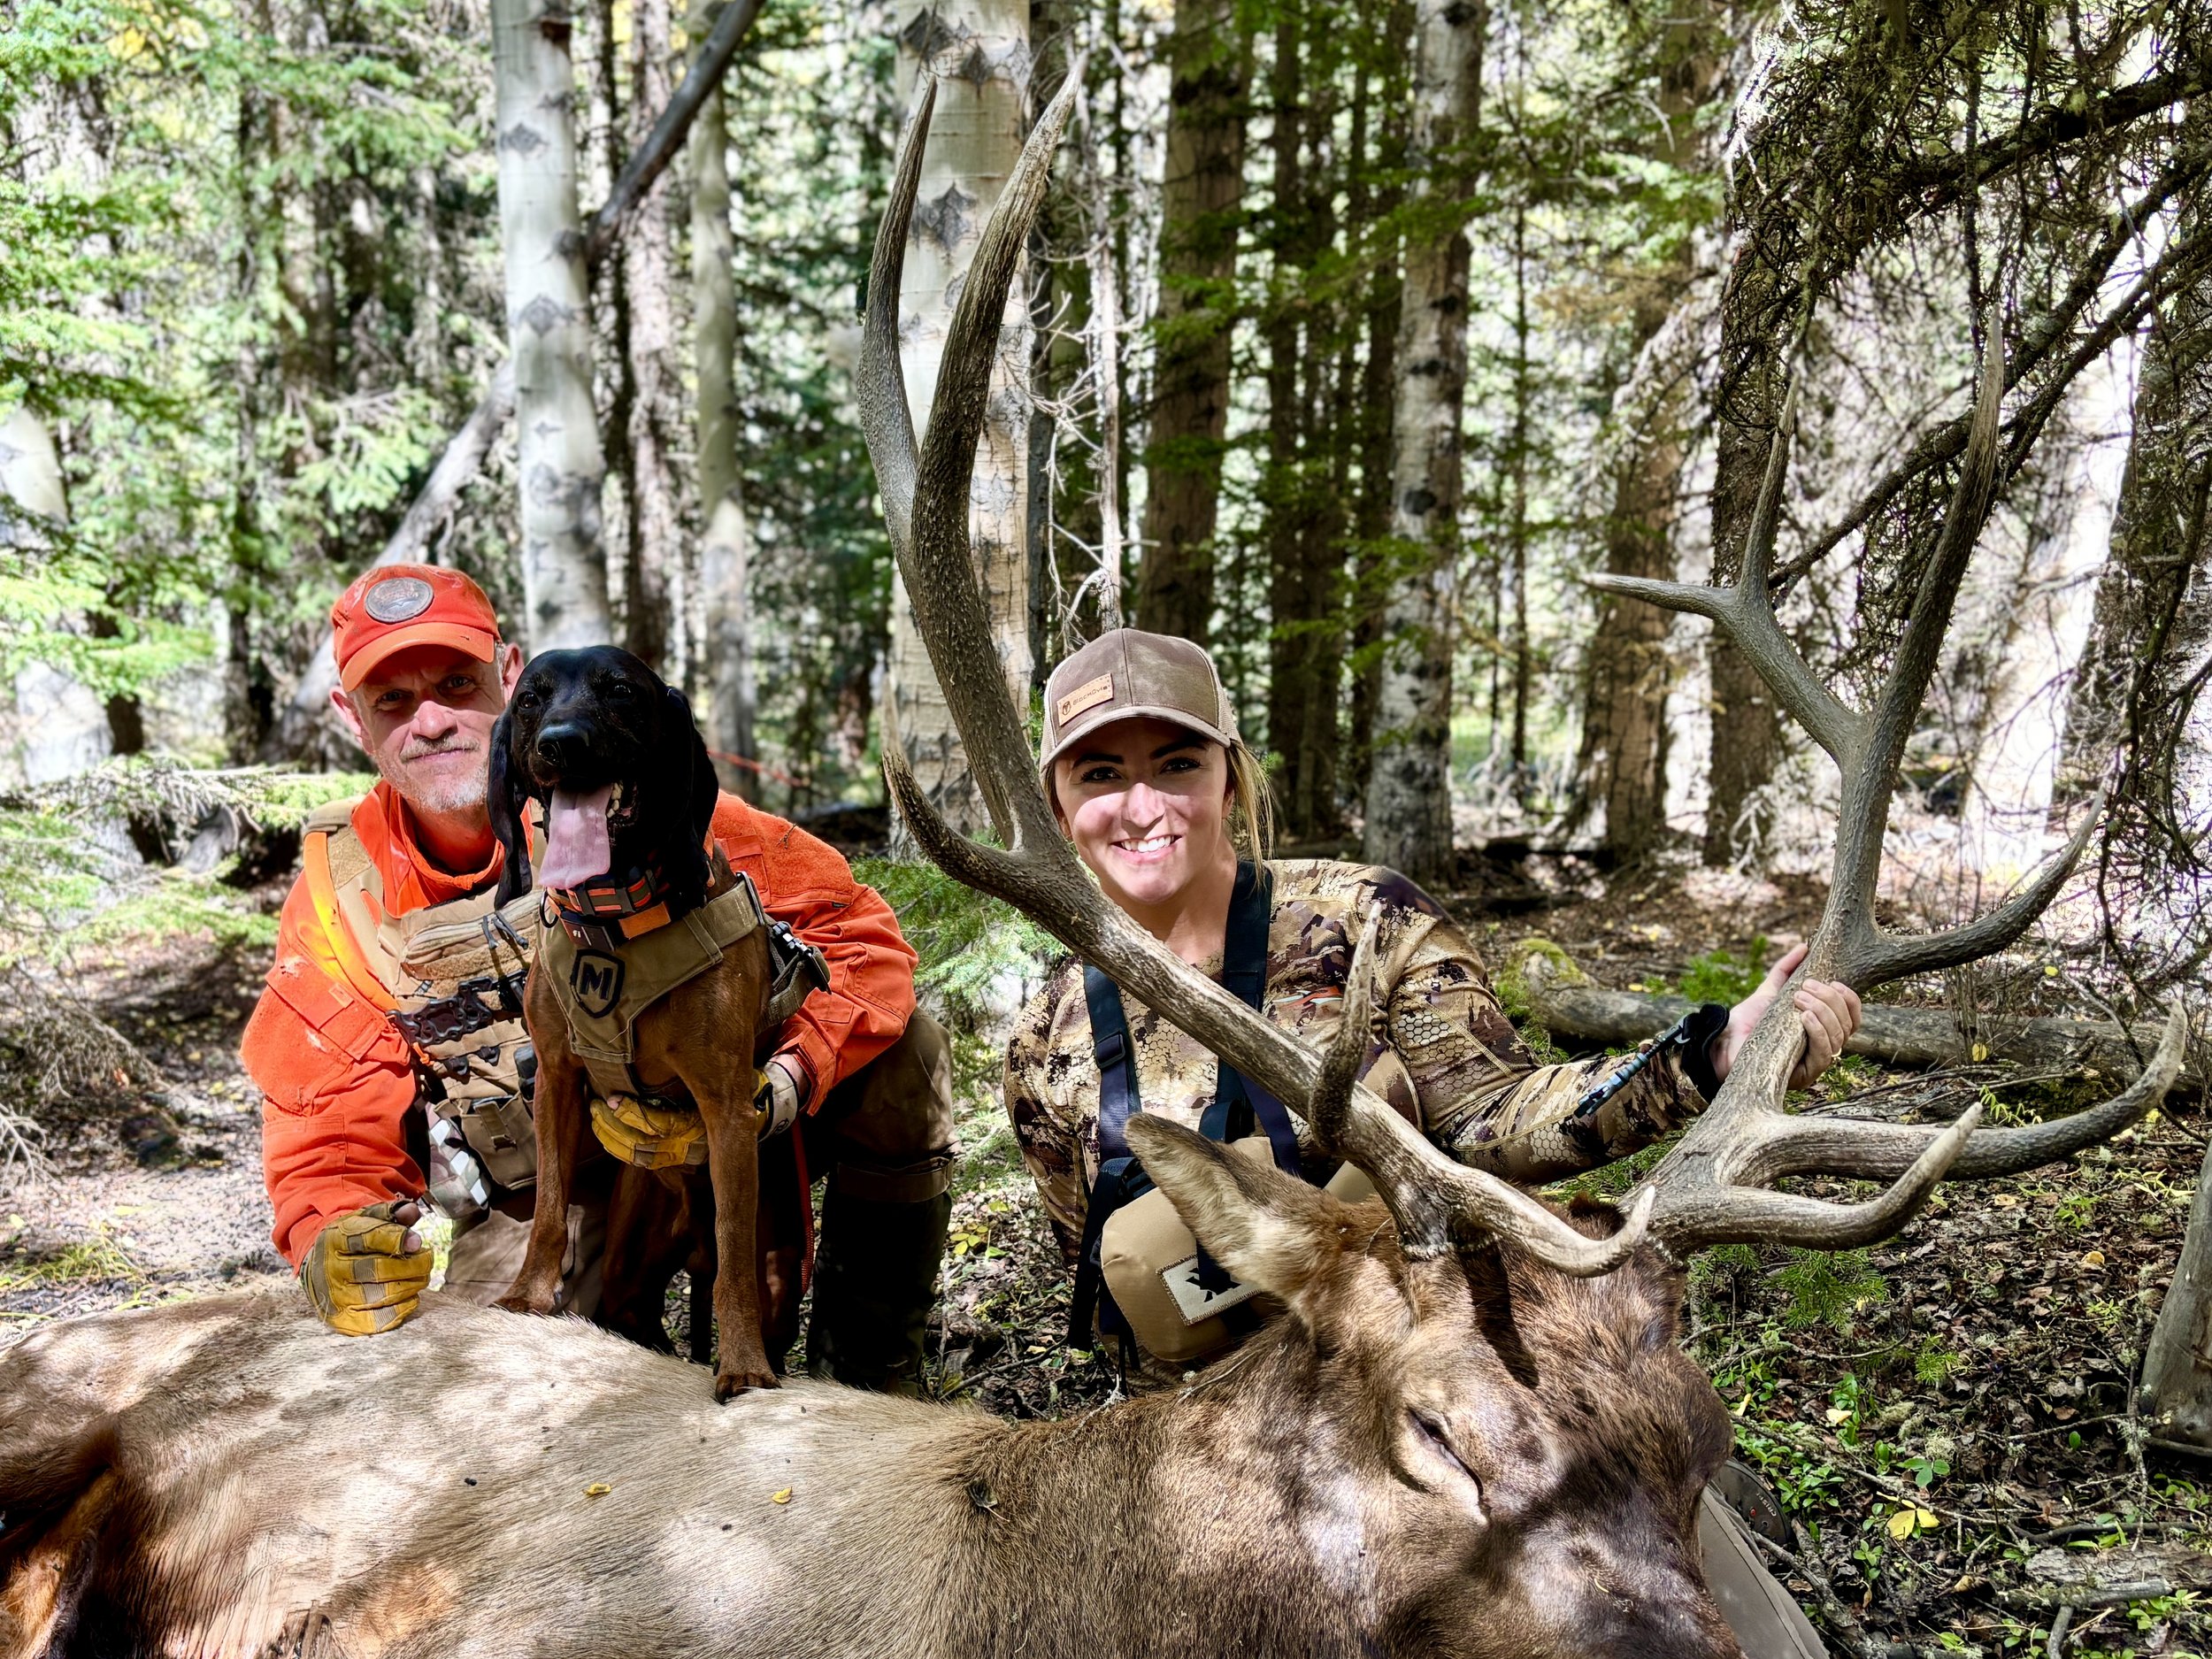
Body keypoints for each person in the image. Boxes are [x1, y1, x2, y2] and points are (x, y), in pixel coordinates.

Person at [1002, 626, 1858, 1656]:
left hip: (1473, 1423)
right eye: (1101, 774)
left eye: (1176, 764)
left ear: (1228, 776)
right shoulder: (1046, 1040)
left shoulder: (1362, 921)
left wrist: (1709, 1056)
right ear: (1058, 804)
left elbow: (1498, 1118)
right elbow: (1107, 1301)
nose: (1141, 806)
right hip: (1223, 1454)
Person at [241, 563, 955, 1392]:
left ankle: (867, 1381)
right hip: (539, 1208)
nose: (431, 721)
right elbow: (326, 1117)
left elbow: (864, 948)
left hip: (717, 1146)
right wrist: (336, 1228)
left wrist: (783, 1084)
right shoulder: (343, 894)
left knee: (910, 1056)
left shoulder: (662, 813)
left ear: (510, 679)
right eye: (393, 700)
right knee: (515, 1398)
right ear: (350, 716)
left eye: (457, 684)